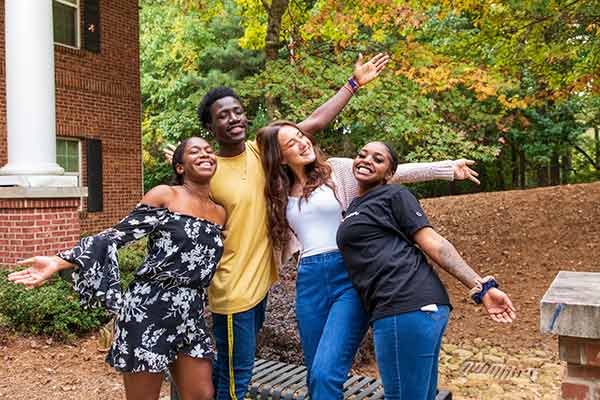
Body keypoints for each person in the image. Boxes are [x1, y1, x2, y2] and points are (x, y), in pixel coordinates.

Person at [172, 53, 390, 400]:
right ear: (211, 129)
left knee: (229, 370)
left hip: (259, 288)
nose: (233, 119)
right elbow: (182, 214)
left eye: (237, 111)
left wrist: (353, 84)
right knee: (236, 377)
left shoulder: (261, 153)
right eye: (222, 116)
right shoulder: (208, 171)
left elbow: (313, 123)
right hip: (231, 290)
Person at [256, 120, 479, 399]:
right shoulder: (275, 193)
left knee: (326, 373)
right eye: (292, 142)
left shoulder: (335, 170)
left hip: (348, 275)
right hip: (309, 281)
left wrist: (445, 168)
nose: (303, 142)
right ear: (279, 157)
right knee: (316, 374)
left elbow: (387, 171)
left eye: (302, 135)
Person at [8, 137, 226, 400]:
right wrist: (59, 260)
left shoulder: (220, 212)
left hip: (191, 312)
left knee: (202, 394)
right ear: (180, 167)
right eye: (195, 151)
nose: (205, 154)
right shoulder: (166, 195)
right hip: (149, 308)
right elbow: (116, 235)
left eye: (208, 150)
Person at [336, 141, 517, 400]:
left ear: (389, 174)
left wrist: (481, 286)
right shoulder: (354, 206)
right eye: (361, 154)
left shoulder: (395, 195)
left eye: (378, 159)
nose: (366, 160)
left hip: (405, 304)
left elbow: (435, 243)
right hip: (408, 308)